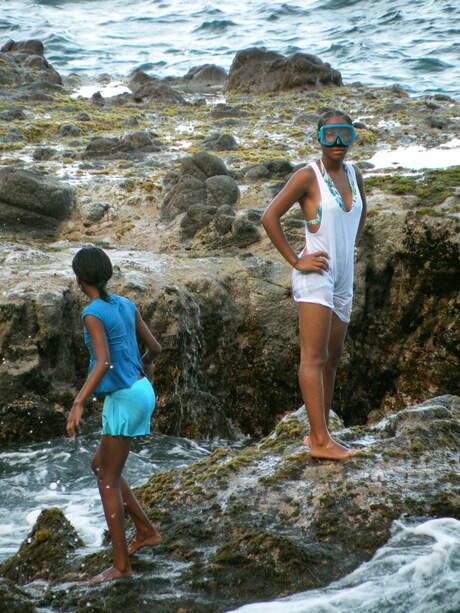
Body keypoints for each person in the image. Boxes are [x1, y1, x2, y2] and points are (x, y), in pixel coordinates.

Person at [261, 110, 367, 460]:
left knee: (333, 359)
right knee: (314, 357)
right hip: (315, 275)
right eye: (330, 136)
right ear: (319, 138)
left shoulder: (354, 176)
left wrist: (348, 248)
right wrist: (296, 259)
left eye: (345, 135)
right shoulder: (308, 176)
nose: (337, 144)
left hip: (343, 277)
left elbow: (359, 216)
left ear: (352, 137)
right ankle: (321, 442)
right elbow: (269, 216)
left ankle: (318, 433)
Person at [66, 246, 163, 584]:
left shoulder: (92, 312)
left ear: (79, 280)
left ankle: (121, 567)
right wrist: (146, 366)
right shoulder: (125, 304)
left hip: (123, 399)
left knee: (107, 479)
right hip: (140, 390)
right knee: (101, 466)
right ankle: (146, 530)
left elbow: (103, 361)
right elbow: (156, 348)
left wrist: (78, 402)